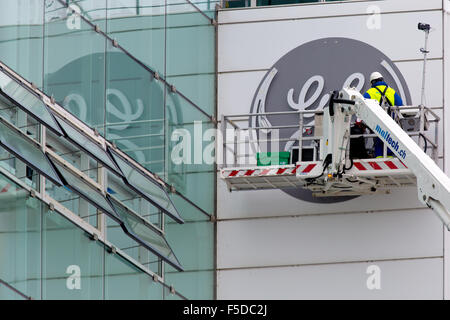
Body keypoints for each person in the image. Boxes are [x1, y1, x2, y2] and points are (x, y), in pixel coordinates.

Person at [363, 72, 403, 158]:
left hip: (377, 127)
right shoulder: (392, 92)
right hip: (390, 126)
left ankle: (379, 159)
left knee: (378, 146)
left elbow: (363, 110)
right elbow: (400, 106)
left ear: (372, 82)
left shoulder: (369, 93)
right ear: (382, 80)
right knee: (390, 145)